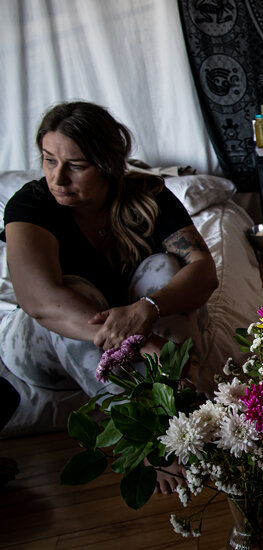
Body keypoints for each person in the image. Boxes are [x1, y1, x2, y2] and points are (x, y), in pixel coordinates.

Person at [0, 102, 217, 442]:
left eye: (76, 165)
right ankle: (145, 438)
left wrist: (149, 308)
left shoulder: (148, 194)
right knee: (73, 288)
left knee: (163, 267)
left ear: (107, 165)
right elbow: (38, 300)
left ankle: (185, 411)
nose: (57, 178)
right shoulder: (30, 204)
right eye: (49, 160)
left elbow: (204, 271)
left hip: (136, 323)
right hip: (45, 346)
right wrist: (141, 337)